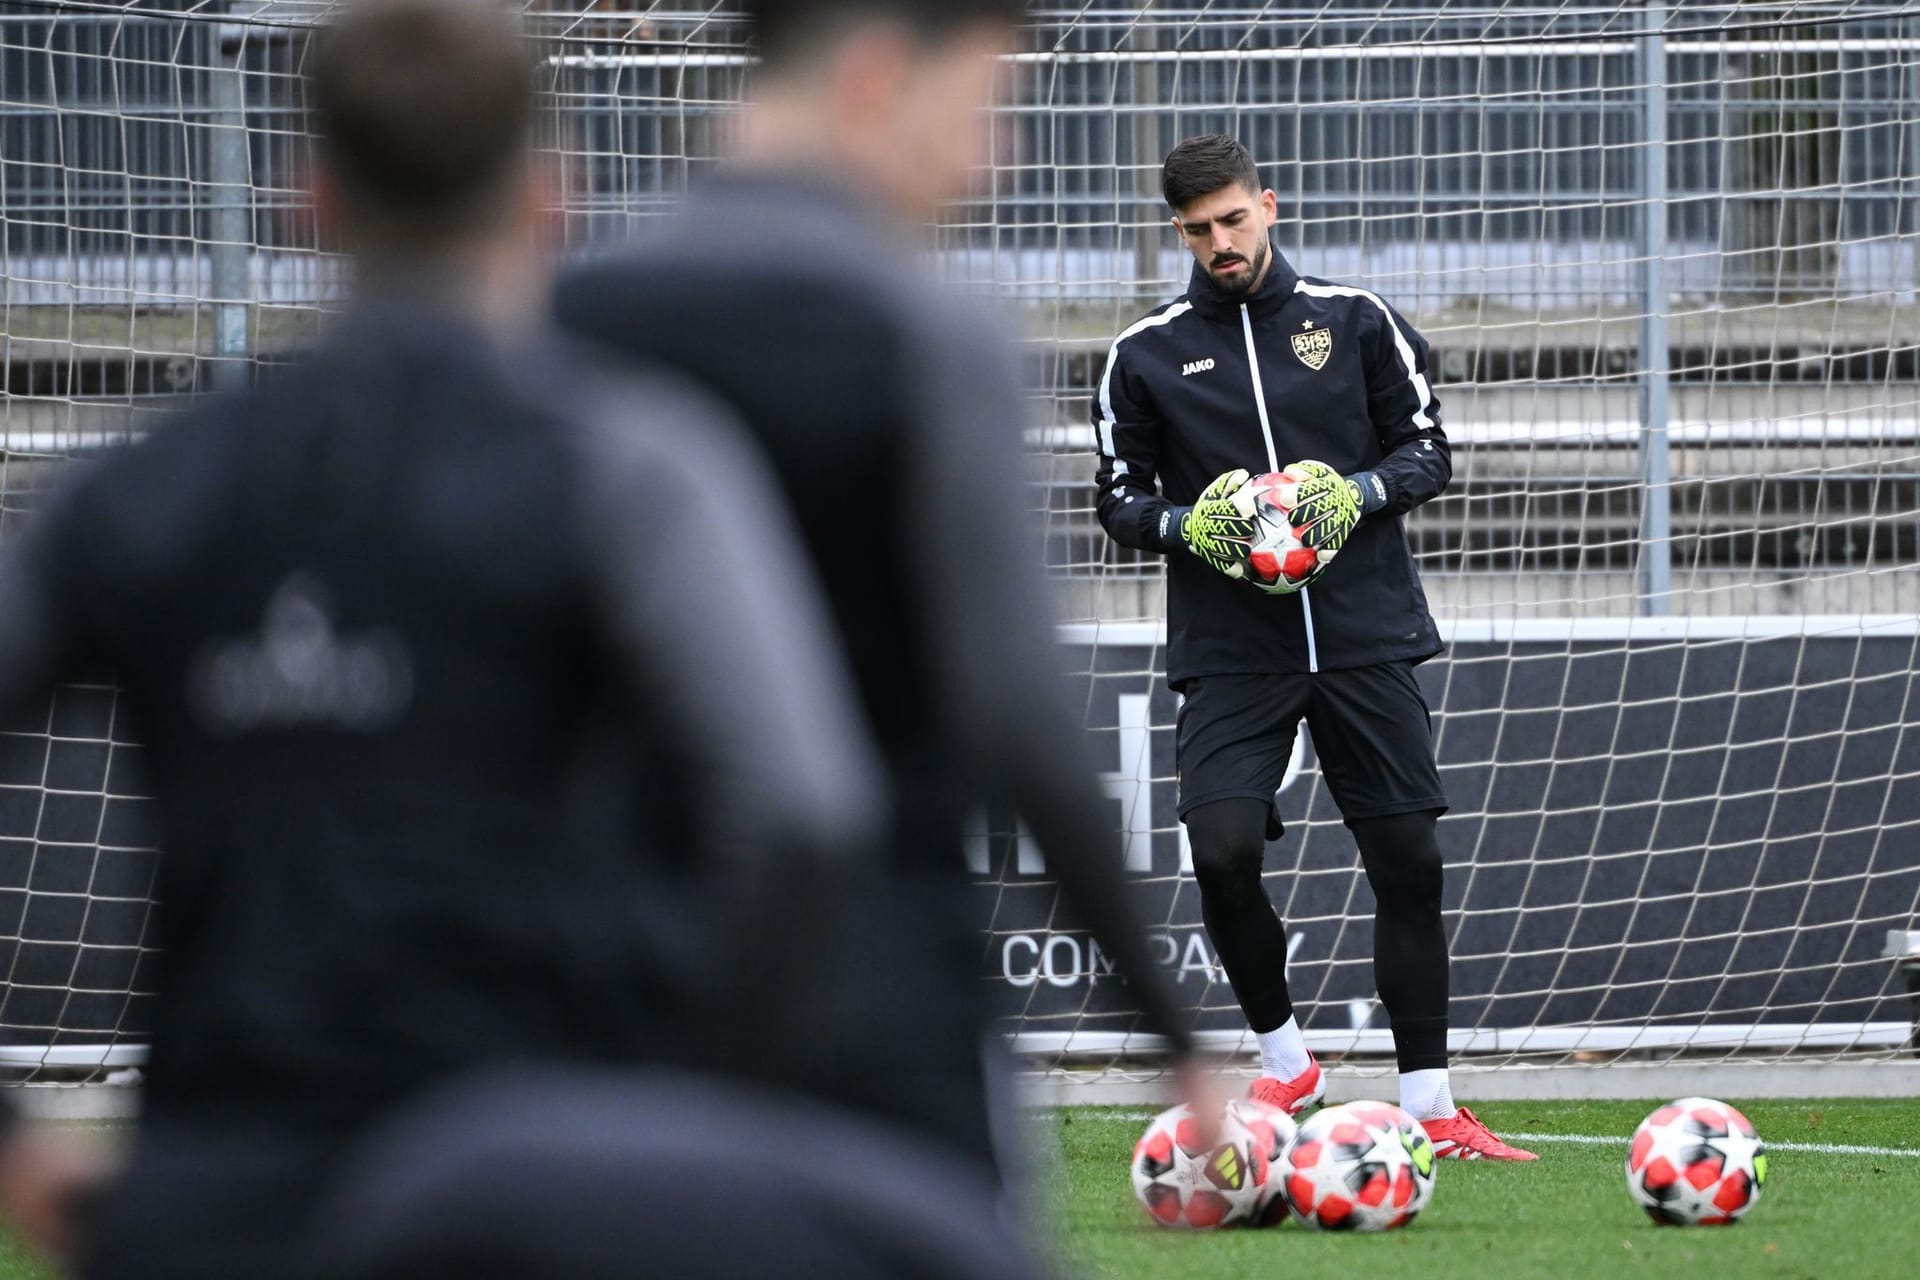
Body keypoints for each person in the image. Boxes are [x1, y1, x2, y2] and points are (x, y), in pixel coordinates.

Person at [0, 2, 893, 1275]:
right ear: (550, 197)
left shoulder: (142, 482)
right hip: (526, 1192)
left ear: (308, 197)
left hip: (216, 1192)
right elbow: (805, 811)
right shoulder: (629, 466)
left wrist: (15, 1145)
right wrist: (674, 1109)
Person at [554, 0, 1204, 1176]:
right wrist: (1168, 1020)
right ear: (873, 76)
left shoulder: (564, 325)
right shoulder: (923, 335)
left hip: (606, 1011)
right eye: (988, 106)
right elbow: (1019, 712)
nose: (992, 159)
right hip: (877, 1012)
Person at [1091, 134, 1536, 1159]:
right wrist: (1185, 525)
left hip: (1363, 632)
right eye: (1199, 230)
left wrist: (1358, 495)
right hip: (1233, 645)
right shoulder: (1144, 355)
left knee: (1409, 861)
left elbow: (1428, 450)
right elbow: (1118, 498)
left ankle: (1431, 1103)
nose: (1221, 243)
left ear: (1269, 205)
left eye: (1234, 220)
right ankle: (1286, 1060)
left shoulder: (1356, 320)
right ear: (1179, 233)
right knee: (1223, 849)